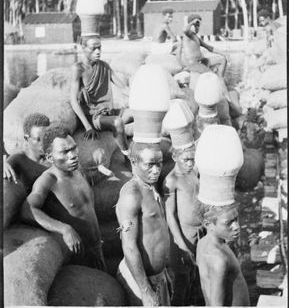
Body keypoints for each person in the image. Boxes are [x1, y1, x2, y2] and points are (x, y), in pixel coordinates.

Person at [21, 125, 106, 271]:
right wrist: (64, 229)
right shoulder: (48, 180)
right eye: (65, 152)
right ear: (49, 157)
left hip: (97, 247)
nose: (72, 155)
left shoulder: (78, 169)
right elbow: (27, 209)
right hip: (77, 256)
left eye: (74, 148)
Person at [116, 141, 172, 306]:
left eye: (159, 164)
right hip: (142, 280)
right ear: (134, 162)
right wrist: (145, 291)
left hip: (157, 276)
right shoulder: (131, 195)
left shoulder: (150, 186)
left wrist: (165, 269)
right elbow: (129, 246)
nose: (156, 170)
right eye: (150, 165)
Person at [70, 36, 132, 168]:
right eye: (93, 48)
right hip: (93, 116)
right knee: (118, 122)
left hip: (107, 111)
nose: (98, 51)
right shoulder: (78, 69)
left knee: (134, 112)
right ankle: (128, 157)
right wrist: (87, 126)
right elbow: (73, 100)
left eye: (99, 48)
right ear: (83, 48)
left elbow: (124, 88)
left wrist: (141, 98)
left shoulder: (104, 66)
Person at [163, 144, 205, 306]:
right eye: (186, 160)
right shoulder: (171, 180)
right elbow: (170, 215)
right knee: (181, 280)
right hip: (182, 236)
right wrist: (182, 245)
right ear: (174, 157)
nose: (190, 163)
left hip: (199, 233)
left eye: (192, 160)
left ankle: (192, 300)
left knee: (194, 275)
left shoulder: (193, 173)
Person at [196, 203, 250, 306]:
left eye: (236, 219)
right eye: (228, 223)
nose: (236, 227)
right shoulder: (219, 260)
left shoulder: (203, 242)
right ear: (208, 225)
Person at [3, 113, 50, 190]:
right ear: (26, 139)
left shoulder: (56, 157)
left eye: (46, 137)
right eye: (38, 139)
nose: (44, 143)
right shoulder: (18, 159)